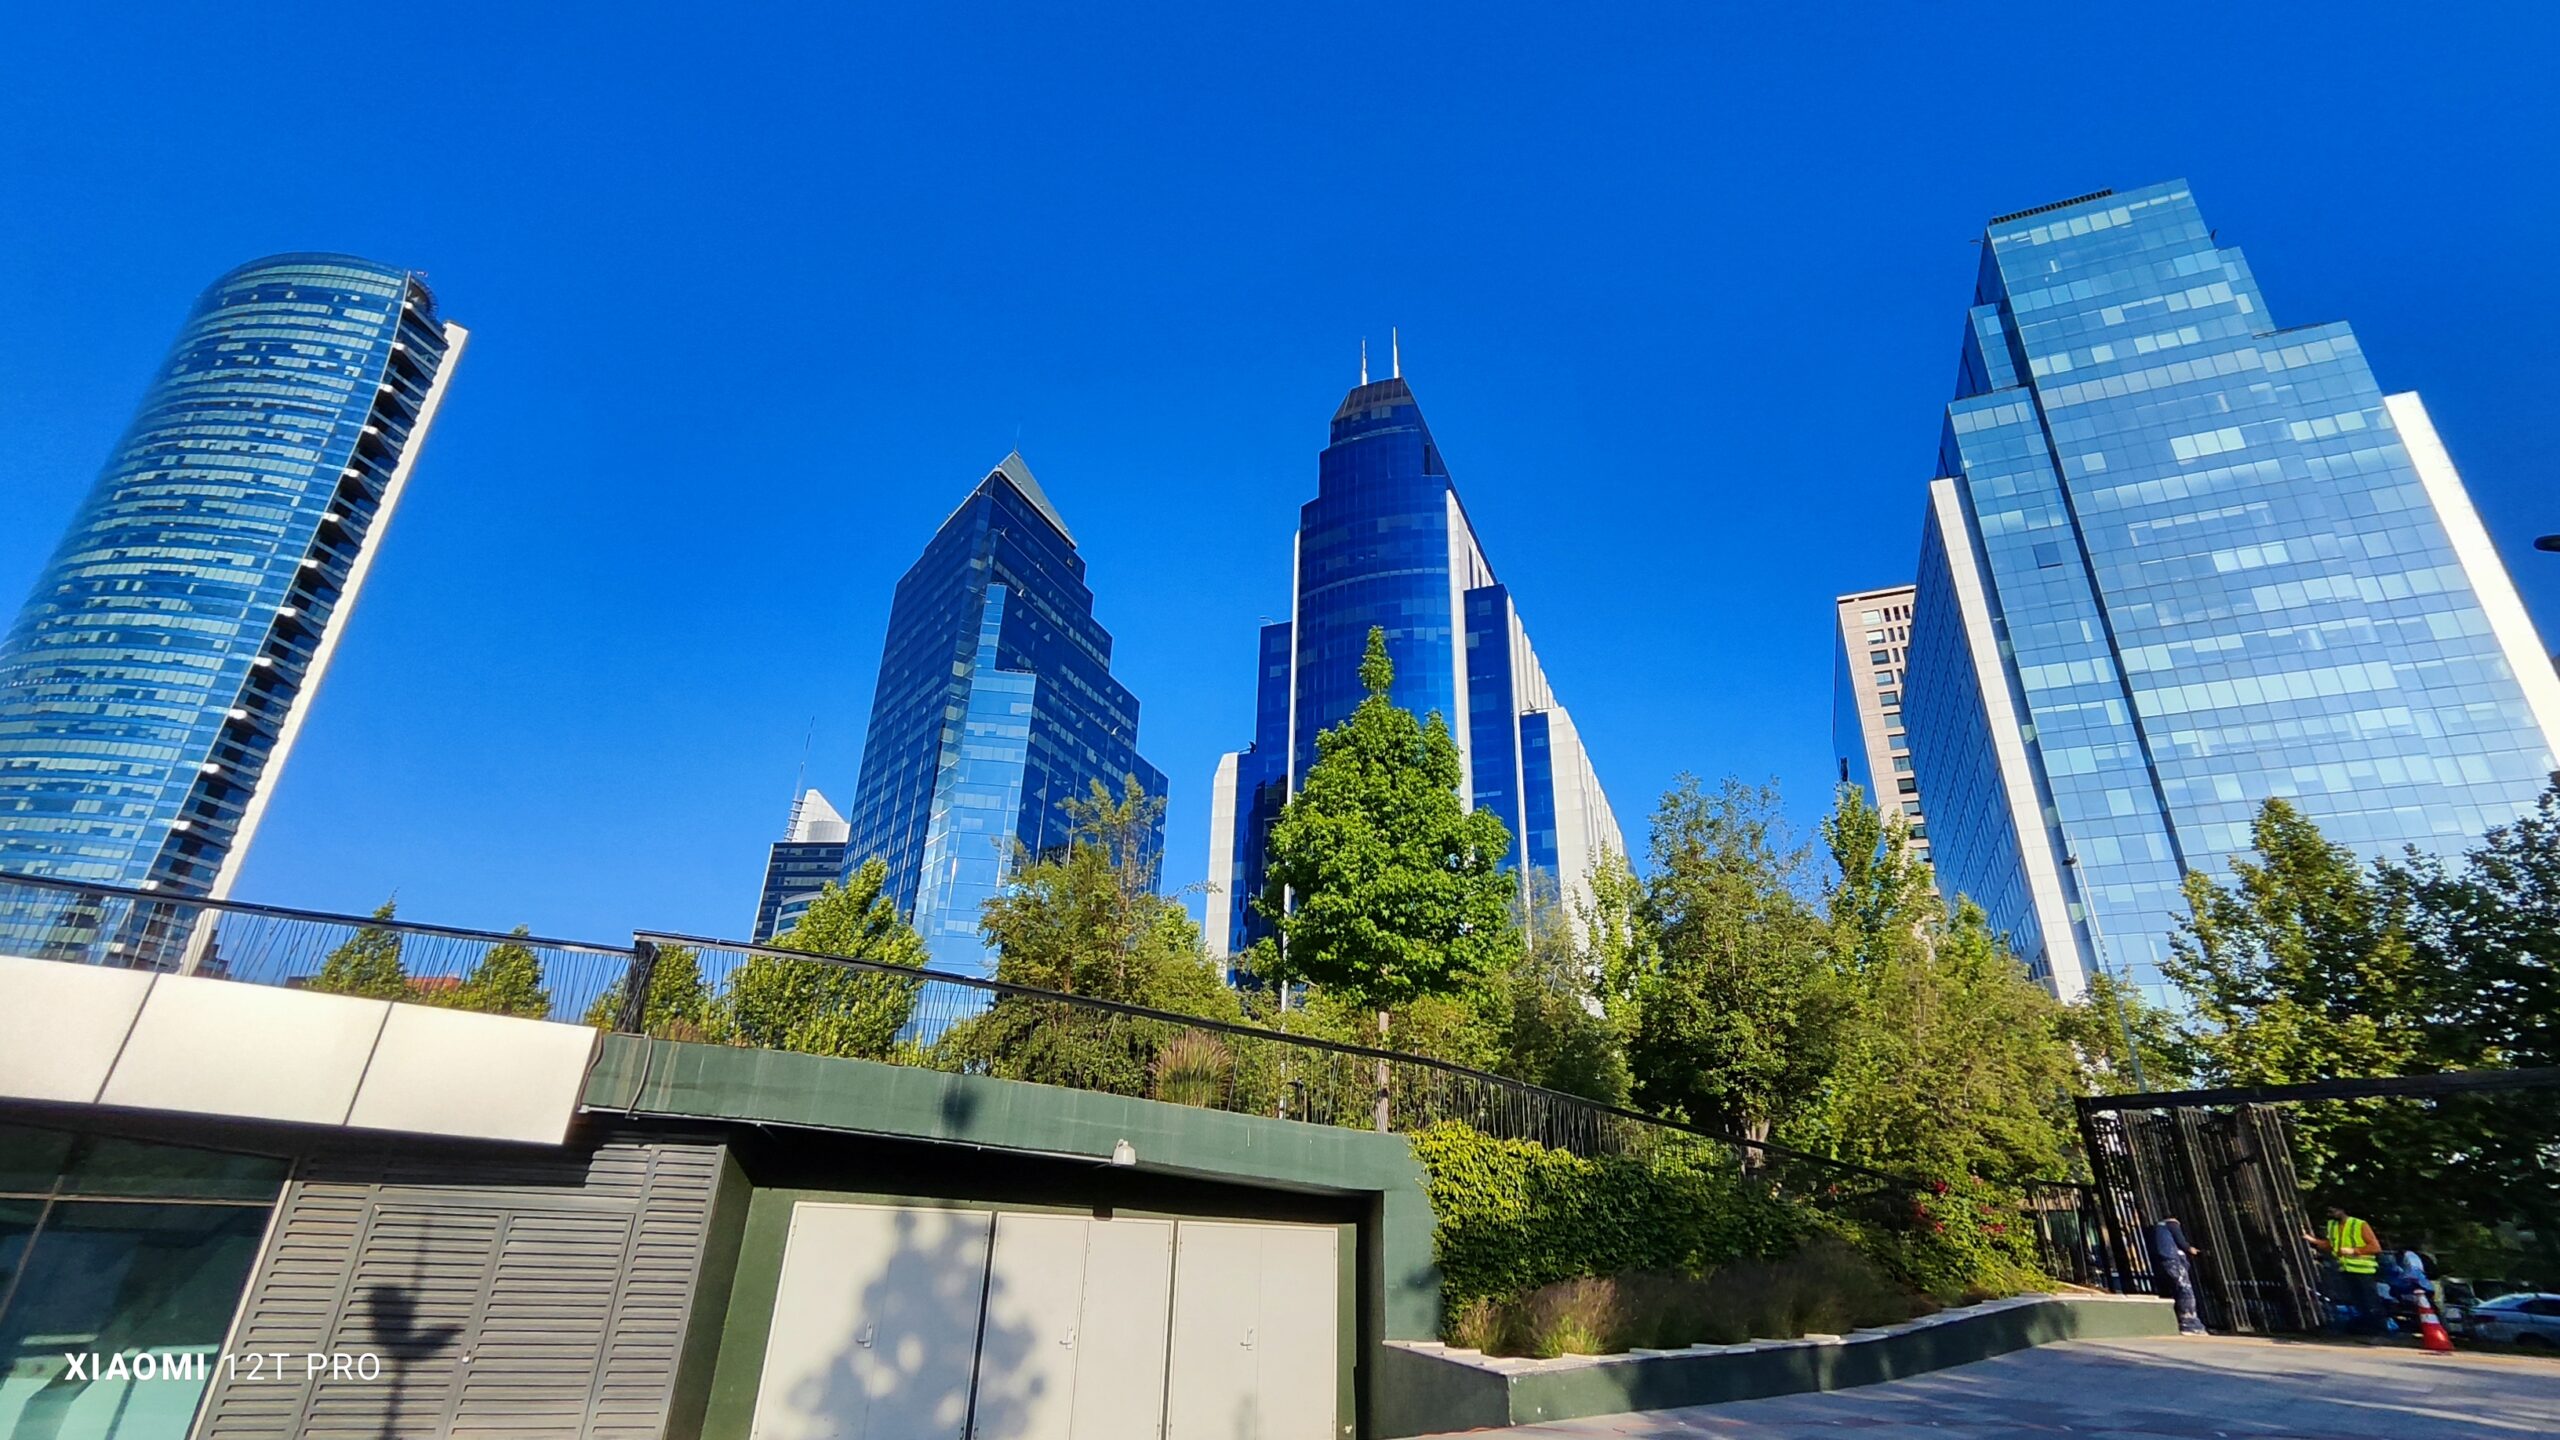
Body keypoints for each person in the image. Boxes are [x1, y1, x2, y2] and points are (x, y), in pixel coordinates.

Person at [2305, 1205, 2382, 1328]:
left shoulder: (2359, 1224)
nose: (2330, 1214)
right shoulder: (2332, 1225)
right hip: (2345, 1269)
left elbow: (2375, 1247)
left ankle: (2377, 1327)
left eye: (2332, 1211)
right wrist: (2313, 1241)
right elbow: (2332, 1245)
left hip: (2364, 1270)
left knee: (2369, 1301)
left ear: (2342, 1210)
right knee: (2358, 1302)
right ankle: (2366, 1326)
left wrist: (2354, 1251)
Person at [2150, 1215, 2207, 1334]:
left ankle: (2180, 1320)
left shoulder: (2157, 1229)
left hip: (2162, 1262)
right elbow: (2181, 1242)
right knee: (2185, 1289)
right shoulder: (2171, 1224)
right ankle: (2189, 1323)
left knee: (2173, 1289)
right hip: (2173, 1260)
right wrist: (2191, 1249)